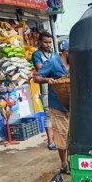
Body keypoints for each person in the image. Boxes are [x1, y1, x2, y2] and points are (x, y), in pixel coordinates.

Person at [33, 40, 70, 174]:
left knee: (72, 136)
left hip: (73, 106)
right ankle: (64, 164)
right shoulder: (52, 62)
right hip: (57, 106)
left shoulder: (74, 64)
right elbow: (36, 78)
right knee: (62, 136)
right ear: (66, 52)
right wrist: (47, 80)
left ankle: (72, 161)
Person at [32, 31, 57, 150]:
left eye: (50, 42)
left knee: (58, 113)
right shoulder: (37, 55)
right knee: (48, 114)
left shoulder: (54, 54)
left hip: (57, 88)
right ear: (40, 42)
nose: (48, 45)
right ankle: (50, 141)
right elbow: (40, 70)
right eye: (46, 42)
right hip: (46, 88)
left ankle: (57, 138)